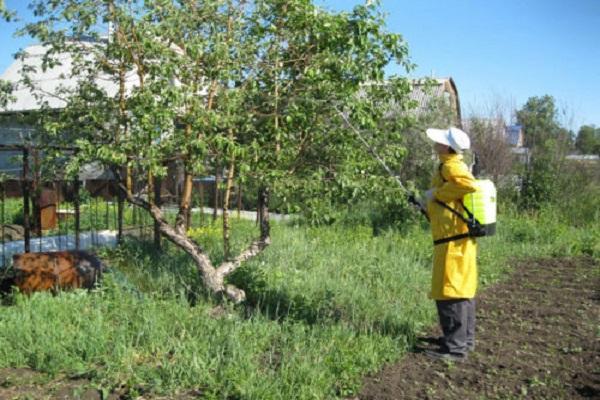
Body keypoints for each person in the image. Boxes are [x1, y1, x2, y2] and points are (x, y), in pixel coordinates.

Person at [422, 127, 478, 362]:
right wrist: (430, 203)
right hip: (457, 241)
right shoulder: (451, 164)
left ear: (447, 147)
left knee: (449, 292)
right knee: (461, 291)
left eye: (440, 142)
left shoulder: (451, 165)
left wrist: (437, 195)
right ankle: (464, 340)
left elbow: (468, 185)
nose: (436, 144)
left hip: (453, 244)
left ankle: (455, 349)